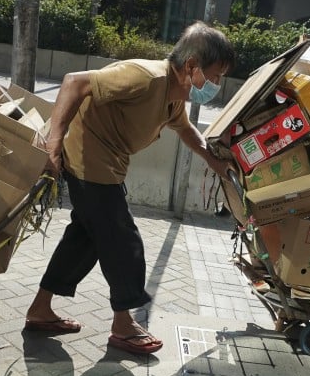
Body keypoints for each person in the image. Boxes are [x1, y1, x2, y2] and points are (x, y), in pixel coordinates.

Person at [23, 21, 236, 355]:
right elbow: (74, 82)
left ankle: (40, 310)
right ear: (192, 67)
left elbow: (186, 129)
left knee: (85, 238)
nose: (217, 85)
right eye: (216, 75)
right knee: (123, 241)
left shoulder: (173, 95)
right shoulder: (145, 76)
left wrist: (213, 161)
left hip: (107, 166)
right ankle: (123, 325)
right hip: (87, 161)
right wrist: (54, 143)